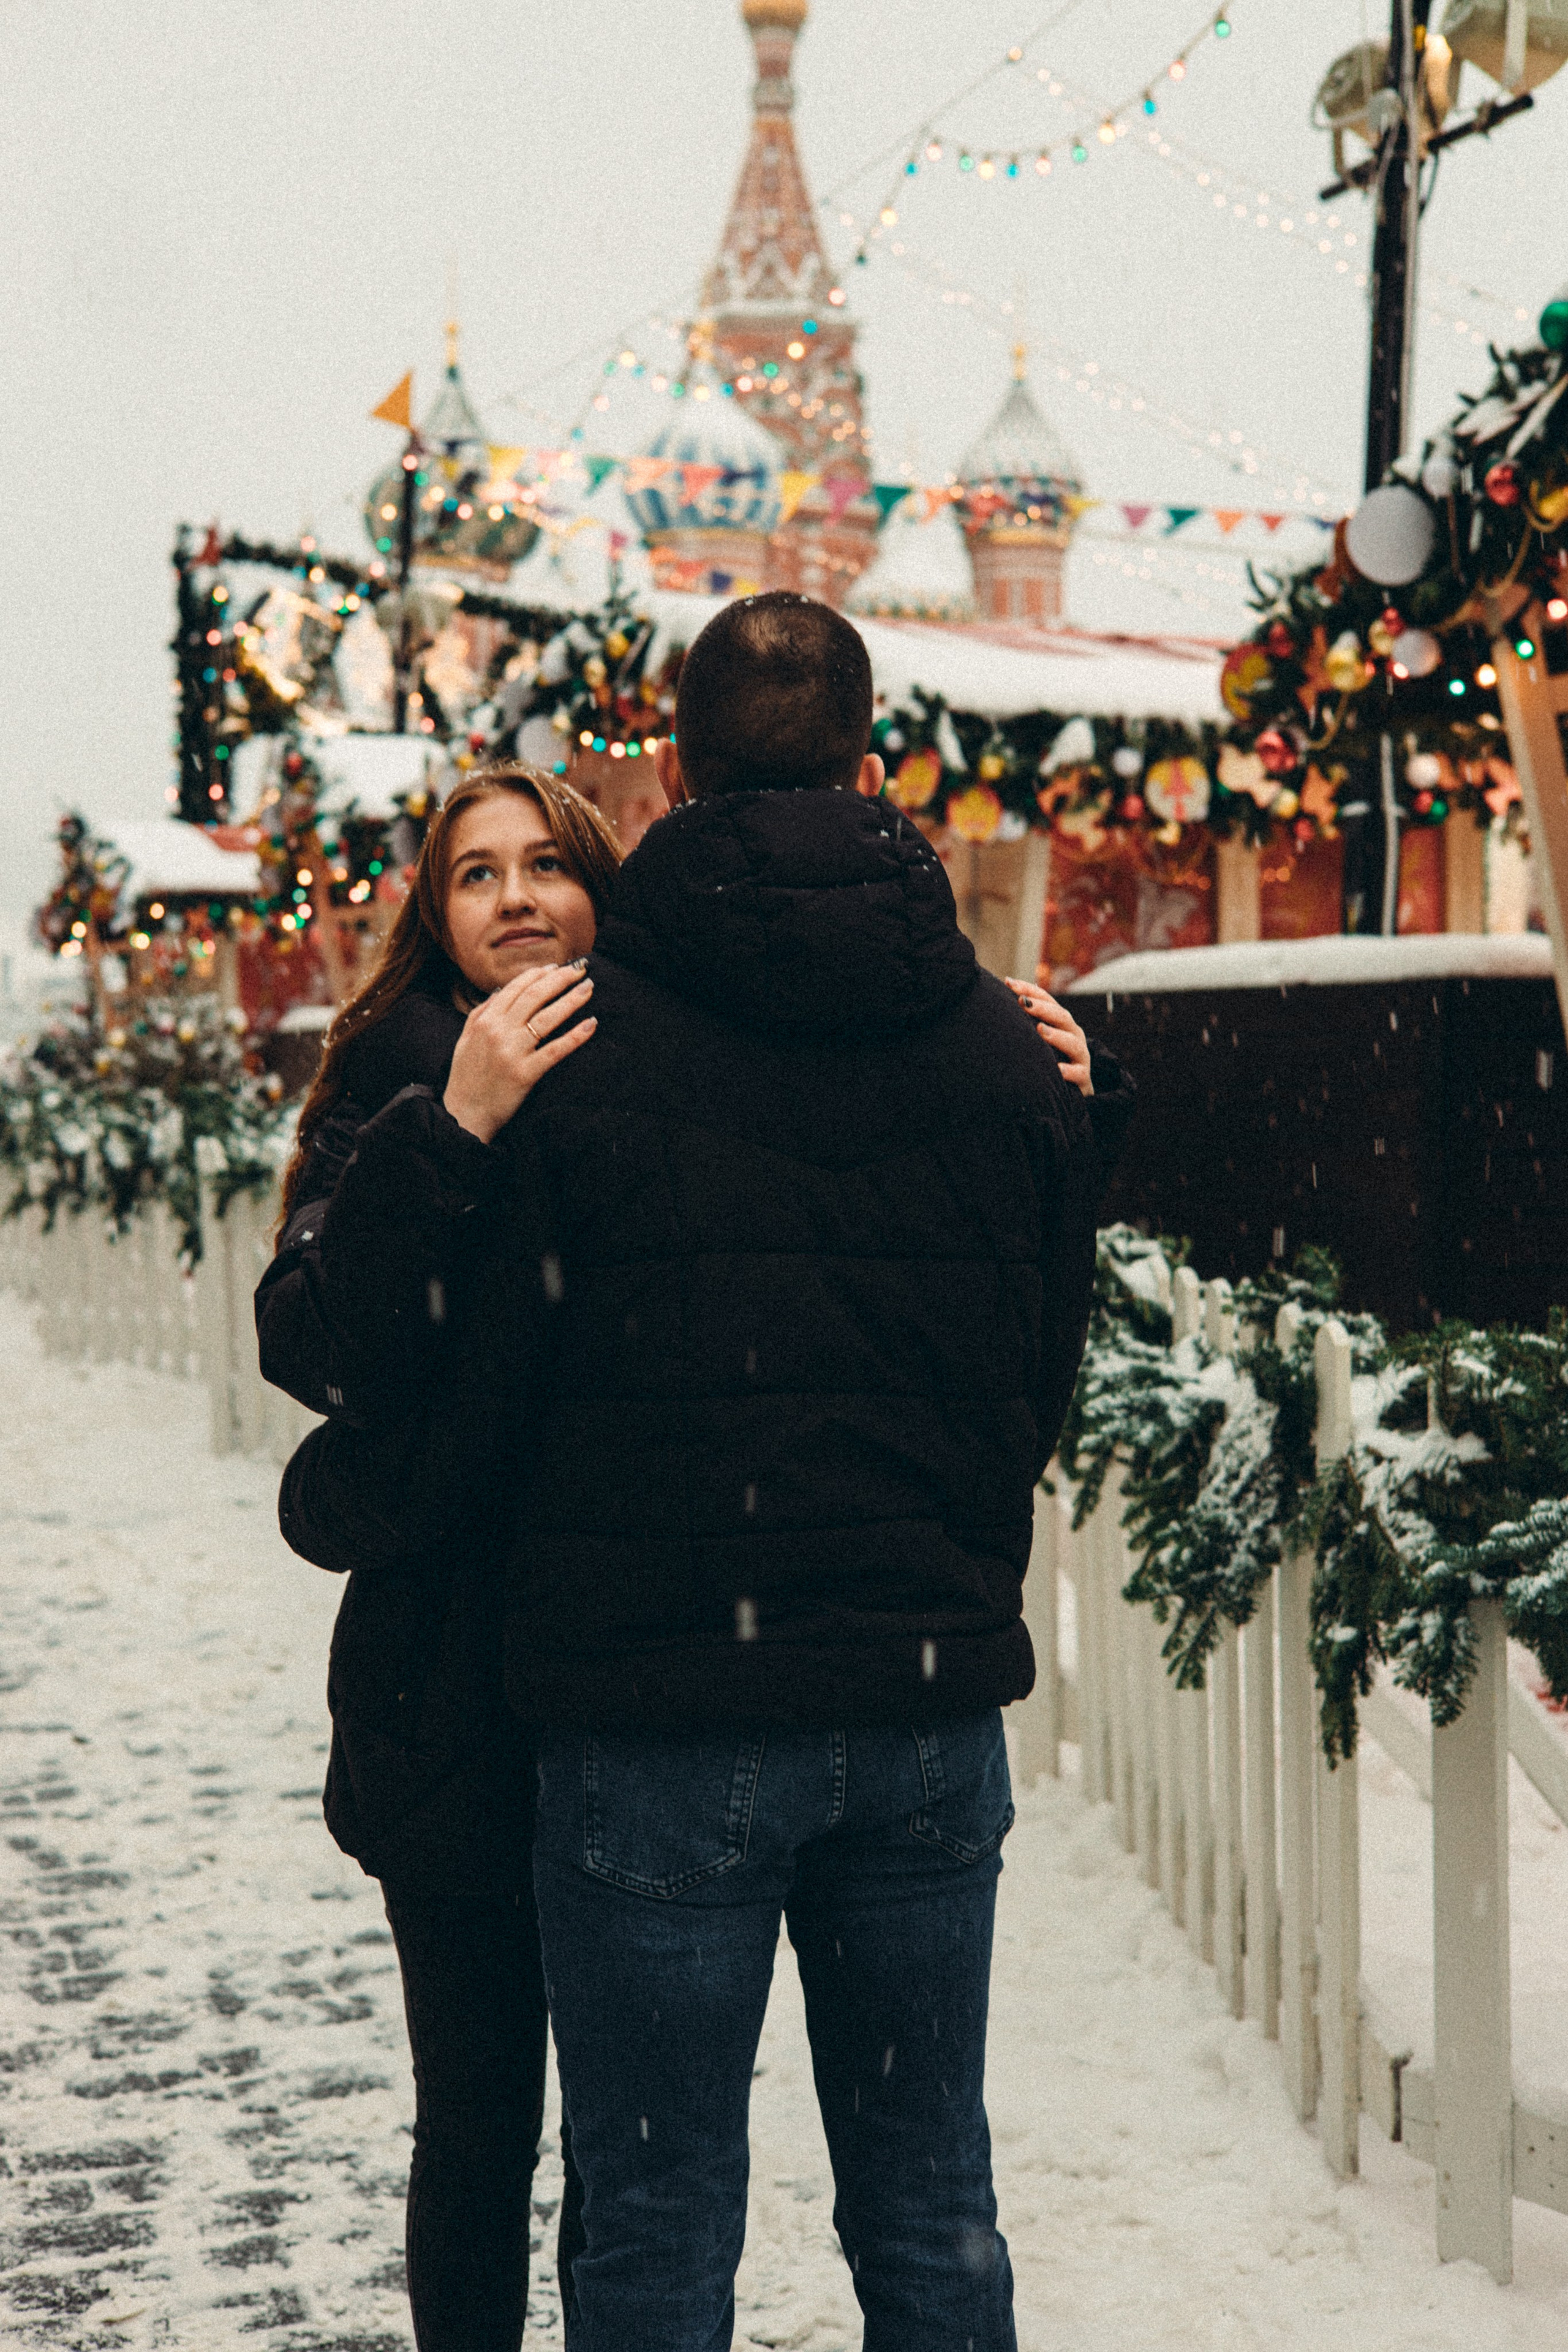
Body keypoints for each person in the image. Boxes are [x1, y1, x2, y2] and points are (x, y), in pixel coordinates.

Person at [296, 594, 1129, 2349]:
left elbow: (482, 1377)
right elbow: (1030, 1387)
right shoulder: (1013, 1054)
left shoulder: (576, 1059)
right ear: (874, 764)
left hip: (657, 1717)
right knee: (931, 2207)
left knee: (659, 2224)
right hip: (919, 1709)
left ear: (668, 777)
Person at [255, 764, 620, 2352]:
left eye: (548, 863)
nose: (518, 896)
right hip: (452, 1702)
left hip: (634, 1679)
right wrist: (454, 1127)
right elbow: (311, 1340)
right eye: (477, 874)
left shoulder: (672, 1063)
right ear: (437, 910)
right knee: (475, 2123)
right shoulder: (392, 1079)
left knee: (634, 2133)